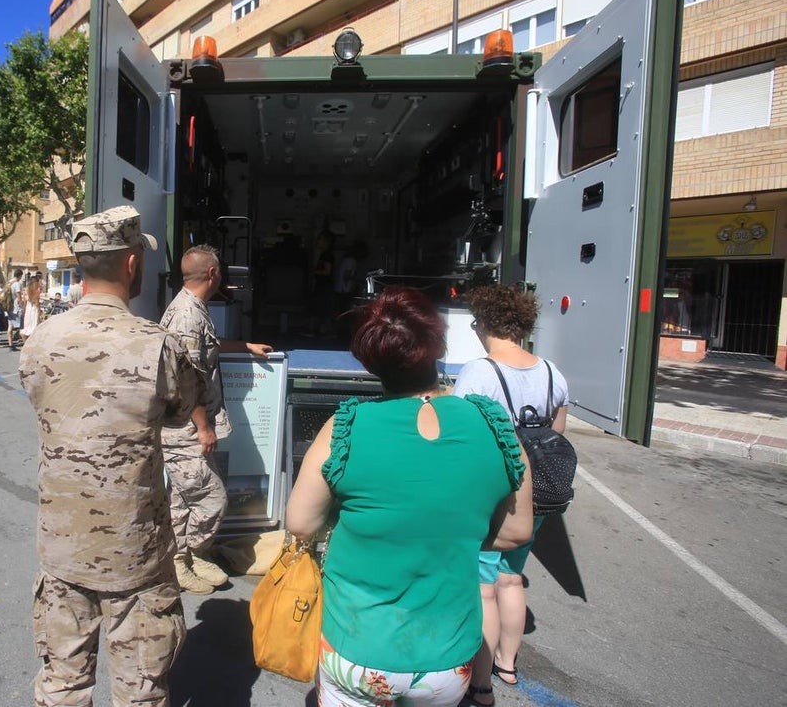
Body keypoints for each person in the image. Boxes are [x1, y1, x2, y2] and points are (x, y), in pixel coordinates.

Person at [285, 286, 532, 707]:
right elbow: (516, 531)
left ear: (370, 361)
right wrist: (449, 531)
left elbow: (301, 523)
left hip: (356, 646)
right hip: (446, 658)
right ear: (438, 345)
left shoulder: (346, 428)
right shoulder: (492, 424)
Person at [17, 205, 210, 707]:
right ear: (131, 263)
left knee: (61, 685)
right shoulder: (157, 345)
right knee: (140, 692)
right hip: (135, 550)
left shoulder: (41, 338)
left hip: (61, 544)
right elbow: (182, 412)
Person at [453, 284, 570, 707]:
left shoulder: (479, 373)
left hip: (494, 492)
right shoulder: (553, 372)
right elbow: (557, 435)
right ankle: (507, 664)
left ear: (484, 323)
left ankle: (481, 684)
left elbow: (459, 437)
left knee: (484, 586)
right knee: (512, 576)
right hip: (538, 492)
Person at [159, 244, 273, 594]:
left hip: (186, 428)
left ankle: (184, 560)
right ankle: (187, 555)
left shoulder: (192, 308)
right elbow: (187, 378)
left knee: (184, 499)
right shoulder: (187, 315)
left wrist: (245, 346)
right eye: (220, 271)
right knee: (212, 499)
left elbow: (207, 347)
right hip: (185, 430)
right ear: (212, 274)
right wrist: (204, 427)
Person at [18, 277, 41, 343]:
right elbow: (37, 304)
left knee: (27, 327)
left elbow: (24, 302)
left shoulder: (26, 290)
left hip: (28, 310)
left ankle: (26, 343)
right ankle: (31, 344)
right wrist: (40, 314)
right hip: (34, 310)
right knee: (34, 327)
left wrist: (24, 310)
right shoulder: (36, 291)